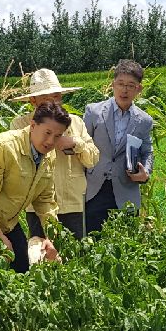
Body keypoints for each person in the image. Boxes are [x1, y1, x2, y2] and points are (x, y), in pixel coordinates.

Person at [11, 69, 99, 240]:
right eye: (46, 99)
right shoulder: (19, 124)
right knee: (41, 255)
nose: (54, 102)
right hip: (37, 204)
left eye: (57, 97)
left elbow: (93, 159)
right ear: (33, 101)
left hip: (72, 202)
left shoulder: (75, 122)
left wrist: (75, 143)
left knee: (76, 254)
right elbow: (17, 160)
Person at [0, 102, 68, 273]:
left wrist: (51, 238)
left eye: (57, 136)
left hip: (10, 223)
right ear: (32, 125)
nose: (51, 141)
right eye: (47, 133)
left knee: (22, 269)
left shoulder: (48, 155)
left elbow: (45, 200)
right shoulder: (2, 147)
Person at [83, 60, 154, 236]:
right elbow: (82, 144)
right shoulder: (94, 112)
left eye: (131, 85)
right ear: (113, 85)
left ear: (139, 89)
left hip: (126, 189)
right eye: (121, 84)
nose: (125, 90)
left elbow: (147, 151)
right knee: (92, 241)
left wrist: (146, 172)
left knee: (127, 243)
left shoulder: (144, 120)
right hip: (94, 189)